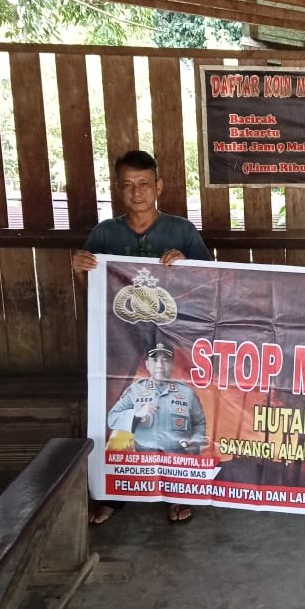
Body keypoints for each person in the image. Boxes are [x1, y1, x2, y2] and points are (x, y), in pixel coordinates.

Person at [72, 149, 211, 523]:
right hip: (120, 341)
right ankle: (112, 493)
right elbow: (93, 293)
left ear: (158, 186)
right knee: (111, 410)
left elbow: (208, 285)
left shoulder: (181, 232)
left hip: (172, 339)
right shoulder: (105, 234)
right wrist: (80, 271)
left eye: (144, 183)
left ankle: (178, 492)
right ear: (119, 189)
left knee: (175, 410)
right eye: (128, 185)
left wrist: (186, 266)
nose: (137, 192)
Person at [108, 341, 206, 455]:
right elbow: (112, 419)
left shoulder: (187, 392)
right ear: (147, 365)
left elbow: (199, 423)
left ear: (172, 364)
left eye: (165, 360)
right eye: (155, 360)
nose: (160, 365)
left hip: (178, 456)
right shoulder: (135, 390)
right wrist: (136, 413)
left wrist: (195, 441)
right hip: (143, 456)